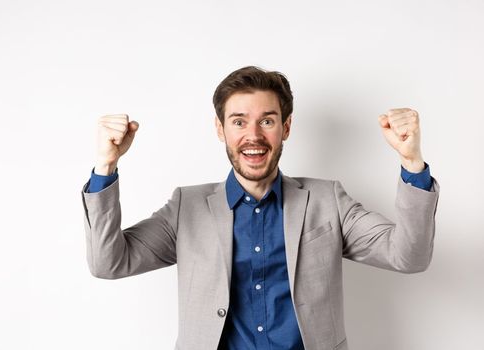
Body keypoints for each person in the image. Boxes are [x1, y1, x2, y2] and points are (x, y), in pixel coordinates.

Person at [80, 66, 439, 350]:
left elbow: (409, 256)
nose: (253, 135)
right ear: (221, 130)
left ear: (285, 128)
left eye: (267, 121)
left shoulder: (328, 200)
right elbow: (109, 263)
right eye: (239, 121)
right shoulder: (185, 208)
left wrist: (412, 163)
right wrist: (105, 165)